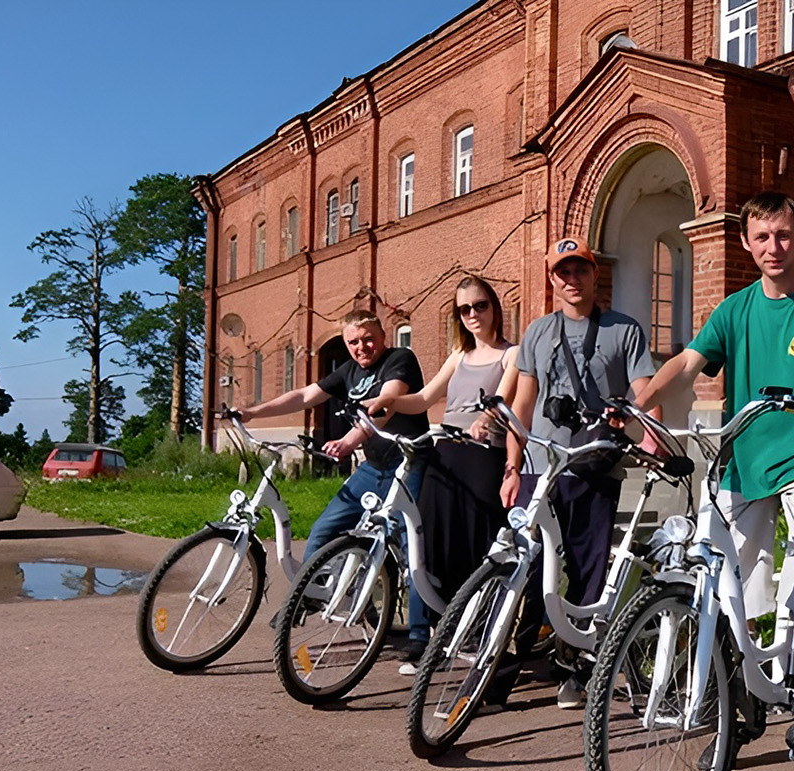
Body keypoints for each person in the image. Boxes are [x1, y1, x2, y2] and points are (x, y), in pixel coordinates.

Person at [636, 191, 794, 757]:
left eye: (783, 235)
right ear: (745, 242)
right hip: (744, 458)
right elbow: (688, 361)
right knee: (728, 582)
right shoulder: (735, 309)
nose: (773, 247)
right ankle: (743, 701)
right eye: (762, 237)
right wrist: (642, 402)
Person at [502, 237, 655, 709]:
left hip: (594, 466)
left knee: (587, 574)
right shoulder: (537, 332)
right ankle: (500, 670)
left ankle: (576, 668)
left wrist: (648, 434)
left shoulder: (622, 330)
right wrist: (512, 465)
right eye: (562, 273)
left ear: (594, 273)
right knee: (521, 566)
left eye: (580, 270)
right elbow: (521, 406)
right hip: (540, 468)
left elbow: (644, 392)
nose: (572, 280)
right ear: (552, 279)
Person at [237, 309, 432, 658]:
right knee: (324, 530)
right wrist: (254, 412)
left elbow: (385, 404)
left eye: (368, 338)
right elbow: (304, 396)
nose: (362, 347)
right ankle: (310, 595)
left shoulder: (399, 359)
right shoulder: (349, 371)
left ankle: (419, 635)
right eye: (353, 342)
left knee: (410, 547)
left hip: (409, 464)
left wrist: (349, 441)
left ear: (383, 336)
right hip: (374, 468)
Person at [363, 275, 518, 679]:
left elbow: (502, 401)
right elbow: (426, 398)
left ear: (494, 307)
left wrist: (485, 420)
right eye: (464, 309)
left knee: (477, 541)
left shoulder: (511, 355)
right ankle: (433, 633)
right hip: (444, 451)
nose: (472, 315)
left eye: (479, 306)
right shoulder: (458, 355)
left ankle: (479, 631)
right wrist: (389, 401)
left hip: (484, 455)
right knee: (430, 539)